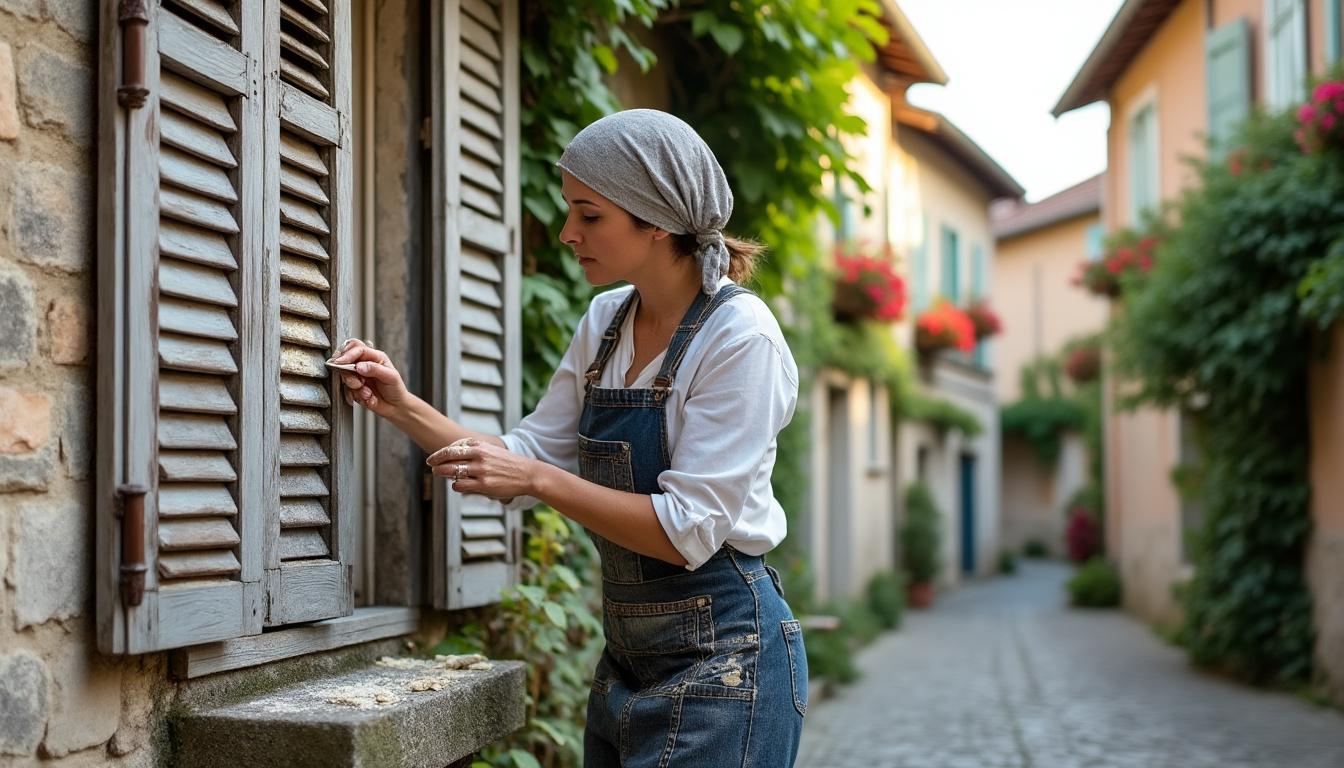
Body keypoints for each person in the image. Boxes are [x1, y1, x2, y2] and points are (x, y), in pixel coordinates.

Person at [332, 108, 807, 767]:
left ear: (658, 218)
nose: (566, 232)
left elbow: (687, 528)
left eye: (589, 214)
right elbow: (527, 455)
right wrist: (401, 405)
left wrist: (539, 482)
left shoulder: (740, 339)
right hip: (628, 661)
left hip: (729, 664)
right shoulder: (605, 320)